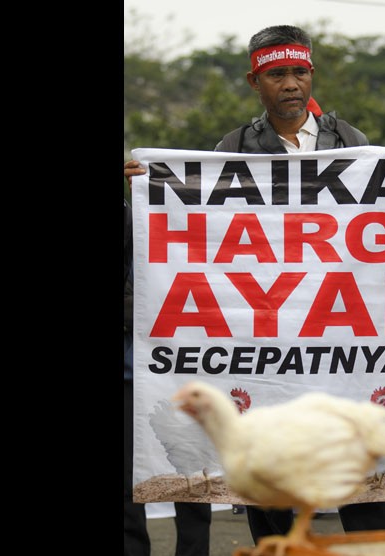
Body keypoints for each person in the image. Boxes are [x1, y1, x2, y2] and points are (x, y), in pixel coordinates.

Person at [124, 24, 385, 546]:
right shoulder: (234, 147)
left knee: (364, 486)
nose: (290, 84)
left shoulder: (350, 142)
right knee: (269, 474)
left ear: (312, 76)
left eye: (299, 72)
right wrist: (147, 183)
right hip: (269, 335)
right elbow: (205, 232)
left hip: (338, 331)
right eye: (276, 74)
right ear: (254, 81)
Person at [124, 198, 212, 556]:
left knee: (192, 477)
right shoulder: (133, 211)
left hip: (187, 368)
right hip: (134, 372)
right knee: (128, 484)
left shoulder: (184, 214)